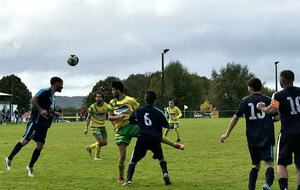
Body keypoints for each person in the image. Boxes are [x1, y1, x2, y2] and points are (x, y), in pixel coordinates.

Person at [107, 80, 184, 183]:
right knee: (122, 156)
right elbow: (109, 117)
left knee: (151, 133)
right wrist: (118, 116)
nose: (112, 92)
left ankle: (175, 145)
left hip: (132, 126)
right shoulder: (112, 103)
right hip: (120, 131)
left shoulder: (130, 100)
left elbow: (139, 111)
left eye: (113, 90)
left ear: (118, 90)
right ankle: (121, 177)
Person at [220, 78, 275, 190]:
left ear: (250, 87)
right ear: (260, 87)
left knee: (255, 165)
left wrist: (227, 133)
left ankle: (251, 188)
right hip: (266, 135)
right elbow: (277, 115)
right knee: (269, 163)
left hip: (252, 137)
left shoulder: (245, 100)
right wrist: (272, 118)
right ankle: (267, 184)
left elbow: (236, 117)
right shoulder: (268, 99)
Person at [5, 77, 63, 177]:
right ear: (55, 83)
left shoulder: (53, 96)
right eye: (61, 84)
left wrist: (54, 112)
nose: (62, 86)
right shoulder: (44, 91)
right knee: (25, 141)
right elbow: (33, 100)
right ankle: (9, 158)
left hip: (44, 124)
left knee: (40, 146)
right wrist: (40, 110)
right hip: (35, 122)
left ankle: (30, 167)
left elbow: (47, 108)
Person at [257, 70, 300, 190]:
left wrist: (262, 108)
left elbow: (271, 110)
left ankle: (284, 188)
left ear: (282, 80)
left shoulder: (278, 95)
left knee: (281, 163)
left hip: (287, 133)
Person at [122, 91, 172, 187]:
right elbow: (167, 125)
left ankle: (128, 181)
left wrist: (139, 123)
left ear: (145, 99)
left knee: (133, 160)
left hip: (143, 138)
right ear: (154, 100)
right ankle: (165, 174)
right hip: (155, 139)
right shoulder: (158, 112)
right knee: (161, 158)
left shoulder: (138, 111)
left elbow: (131, 121)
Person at [84, 92, 108, 160]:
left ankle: (90, 147)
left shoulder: (106, 106)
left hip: (102, 126)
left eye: (100, 97)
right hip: (94, 126)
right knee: (100, 141)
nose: (98, 98)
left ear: (103, 98)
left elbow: (111, 114)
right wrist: (86, 127)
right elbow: (88, 117)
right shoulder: (92, 107)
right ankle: (96, 157)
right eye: (97, 97)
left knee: (105, 143)